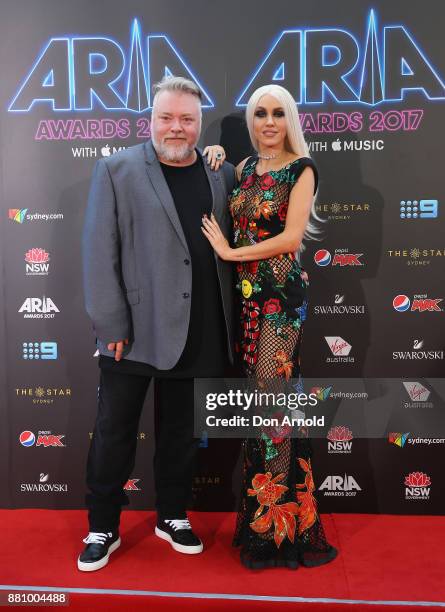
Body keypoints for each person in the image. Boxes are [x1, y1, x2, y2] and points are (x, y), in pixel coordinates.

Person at [79, 75, 234, 571]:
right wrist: (109, 324)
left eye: (187, 119)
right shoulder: (116, 169)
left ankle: (172, 513)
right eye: (167, 117)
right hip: (133, 331)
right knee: (114, 432)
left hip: (200, 325)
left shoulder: (221, 173)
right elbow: (99, 252)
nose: (176, 128)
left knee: (181, 435)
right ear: (151, 119)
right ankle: (102, 524)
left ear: (199, 125)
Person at [202, 84, 338, 569]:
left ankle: (276, 537)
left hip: (280, 302)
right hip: (246, 305)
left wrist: (233, 253)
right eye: (260, 113)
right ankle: (276, 520)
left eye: (279, 113)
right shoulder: (243, 170)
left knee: (272, 411)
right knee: (264, 411)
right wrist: (213, 154)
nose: (269, 122)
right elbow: (219, 187)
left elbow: (292, 237)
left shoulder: (302, 170)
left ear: (290, 120)